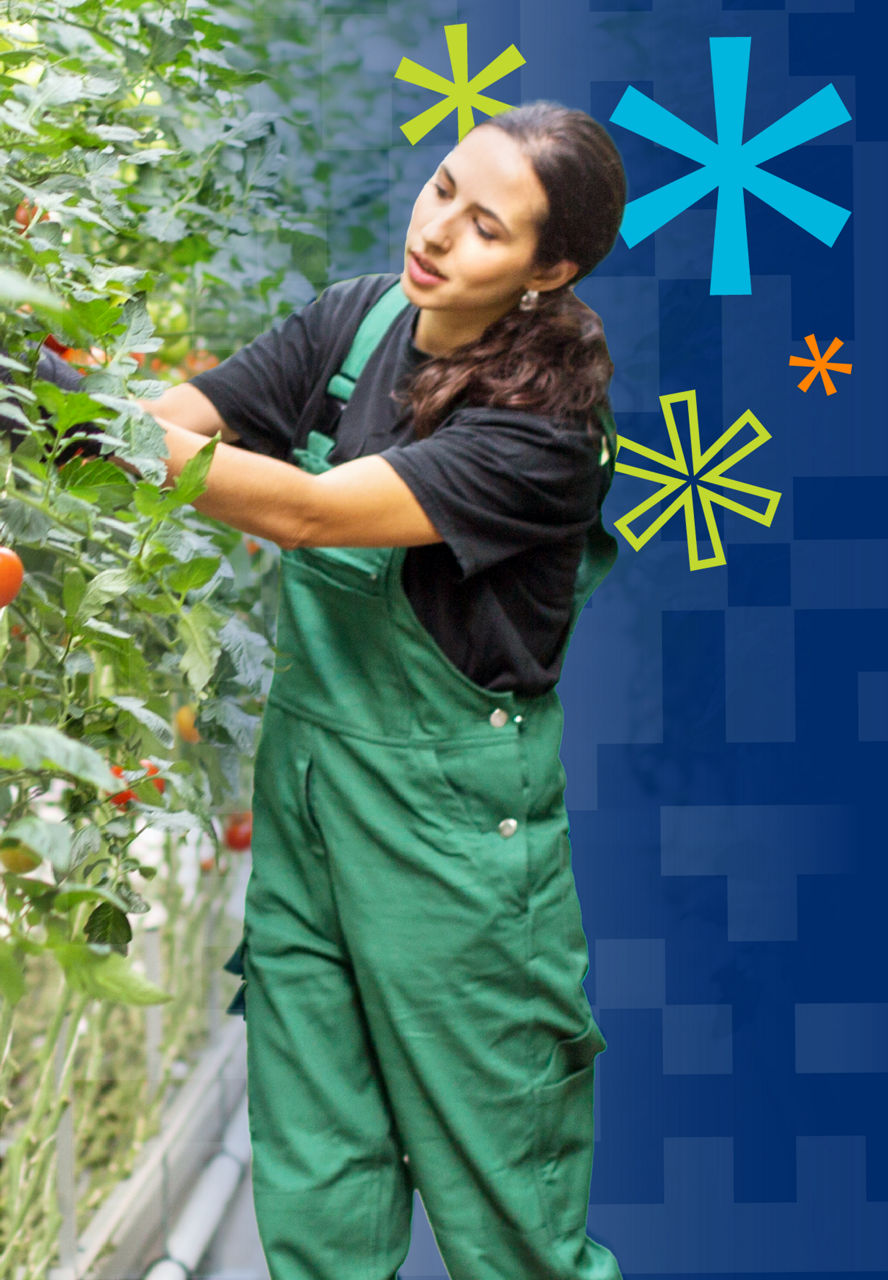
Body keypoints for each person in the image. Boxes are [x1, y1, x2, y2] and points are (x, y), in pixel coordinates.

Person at [34, 100, 628, 1279]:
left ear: (546, 271)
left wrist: (84, 415)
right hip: (308, 810)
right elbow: (179, 423)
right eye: (445, 187)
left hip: (451, 845)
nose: (441, 229)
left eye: (488, 227)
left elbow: (304, 512)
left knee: (508, 1206)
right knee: (317, 1178)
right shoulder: (357, 324)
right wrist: (49, 400)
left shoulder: (545, 434)